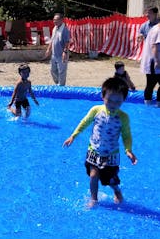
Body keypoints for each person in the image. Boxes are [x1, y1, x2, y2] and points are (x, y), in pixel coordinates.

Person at [63, 77, 138, 208]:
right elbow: (84, 123)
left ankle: (117, 191)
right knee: (93, 176)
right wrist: (73, 136)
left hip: (111, 155)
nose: (113, 105)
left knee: (111, 181)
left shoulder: (123, 117)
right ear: (103, 97)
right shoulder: (96, 110)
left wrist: (128, 150)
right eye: (110, 100)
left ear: (123, 100)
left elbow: (126, 135)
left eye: (118, 102)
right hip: (94, 151)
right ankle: (94, 199)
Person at [44, 13, 70, 86]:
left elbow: (67, 42)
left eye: (56, 20)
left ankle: (61, 86)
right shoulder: (55, 28)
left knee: (62, 72)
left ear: (62, 20)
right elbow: (52, 40)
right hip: (54, 54)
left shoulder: (65, 30)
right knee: (53, 71)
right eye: (54, 20)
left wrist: (64, 52)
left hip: (62, 54)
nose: (55, 21)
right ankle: (58, 84)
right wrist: (48, 49)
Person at [140, 21, 160, 106]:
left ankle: (148, 105)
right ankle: (157, 104)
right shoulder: (158, 30)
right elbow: (155, 46)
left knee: (150, 84)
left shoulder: (154, 28)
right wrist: (157, 61)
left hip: (152, 60)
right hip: (155, 61)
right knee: (150, 84)